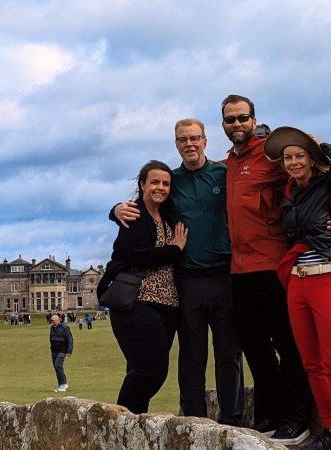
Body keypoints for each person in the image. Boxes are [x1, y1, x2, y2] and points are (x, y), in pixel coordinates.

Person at [221, 94, 331, 446]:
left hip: (275, 263)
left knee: (289, 345)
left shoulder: (272, 156)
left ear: (254, 119)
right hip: (240, 268)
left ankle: (297, 419)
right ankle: (271, 413)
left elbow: (323, 183)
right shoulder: (227, 164)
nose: (236, 124)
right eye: (230, 119)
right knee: (254, 345)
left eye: (242, 118)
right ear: (223, 125)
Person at [113, 118, 245, 425]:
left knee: (229, 353)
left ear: (205, 141)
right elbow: (144, 205)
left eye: (195, 138)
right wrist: (117, 209)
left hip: (225, 273)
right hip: (188, 278)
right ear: (176, 144)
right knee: (191, 356)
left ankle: (231, 420)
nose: (190, 143)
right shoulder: (170, 181)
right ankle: (194, 420)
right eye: (183, 139)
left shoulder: (223, 173)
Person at [266, 127, 331, 450]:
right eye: (288, 157)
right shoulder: (289, 194)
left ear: (311, 159)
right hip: (298, 279)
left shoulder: (328, 186)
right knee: (312, 362)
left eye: (299, 156)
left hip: (327, 275)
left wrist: (319, 143)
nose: (293, 162)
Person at [98, 160, 188, 414]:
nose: (160, 187)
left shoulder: (169, 214)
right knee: (151, 370)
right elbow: (140, 256)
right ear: (142, 185)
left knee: (141, 370)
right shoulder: (133, 214)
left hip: (168, 304)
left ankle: (132, 426)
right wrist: (174, 250)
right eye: (154, 182)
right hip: (136, 302)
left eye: (166, 183)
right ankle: (120, 423)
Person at [49, 313, 73, 392]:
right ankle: (61, 385)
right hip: (54, 351)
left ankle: (63, 384)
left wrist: (69, 350)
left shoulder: (65, 328)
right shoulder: (52, 328)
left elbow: (70, 339)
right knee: (56, 368)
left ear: (58, 320)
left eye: (54, 321)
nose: (53, 322)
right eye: (52, 321)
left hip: (62, 350)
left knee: (58, 365)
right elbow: (51, 338)